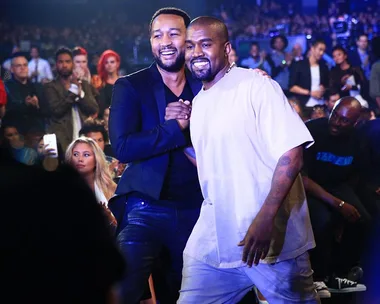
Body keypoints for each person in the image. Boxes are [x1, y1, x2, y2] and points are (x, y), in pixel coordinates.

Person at [179, 16, 319, 303]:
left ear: (227, 48)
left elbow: (292, 155)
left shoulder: (256, 85)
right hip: (215, 237)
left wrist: (265, 218)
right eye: (191, 45)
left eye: (206, 44)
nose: (197, 52)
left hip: (267, 238)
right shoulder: (200, 102)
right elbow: (214, 164)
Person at [108, 8, 203, 304]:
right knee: (122, 286)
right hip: (144, 206)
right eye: (157, 34)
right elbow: (122, 147)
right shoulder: (131, 86)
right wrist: (174, 128)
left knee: (186, 293)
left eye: (174, 33)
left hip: (198, 208)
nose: (165, 41)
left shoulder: (206, 85)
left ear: (188, 38)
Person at [0, 144, 125, 304]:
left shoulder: (108, 189)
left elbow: (109, 261)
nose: (80, 159)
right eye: (76, 154)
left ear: (97, 159)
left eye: (86, 154)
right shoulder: (56, 189)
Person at [303, 97, 370, 294]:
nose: (336, 123)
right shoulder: (313, 129)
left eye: (344, 121)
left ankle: (339, 273)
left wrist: (345, 202)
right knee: (324, 220)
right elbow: (302, 178)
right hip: (310, 186)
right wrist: (339, 205)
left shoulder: (358, 140)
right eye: (335, 116)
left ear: (355, 122)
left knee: (361, 219)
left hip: (337, 186)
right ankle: (318, 277)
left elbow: (355, 175)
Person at [43, 47, 98, 152]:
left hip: (84, 136)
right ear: (56, 64)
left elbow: (93, 108)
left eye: (67, 61)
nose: (64, 65)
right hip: (61, 140)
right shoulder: (50, 87)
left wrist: (80, 93)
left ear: (72, 63)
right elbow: (57, 110)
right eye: (61, 62)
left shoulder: (84, 84)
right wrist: (73, 91)